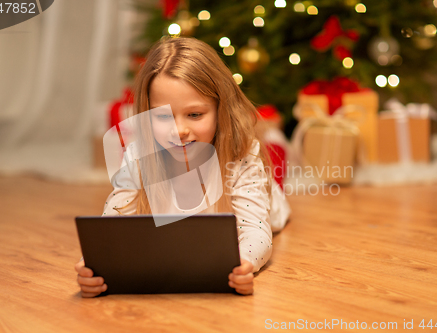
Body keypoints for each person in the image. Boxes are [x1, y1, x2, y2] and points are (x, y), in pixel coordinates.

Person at [75, 36, 291, 297]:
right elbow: (113, 223)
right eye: (163, 116)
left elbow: (256, 230)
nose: (179, 131)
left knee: (273, 204)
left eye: (195, 115)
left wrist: (244, 264)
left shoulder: (241, 156)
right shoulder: (138, 156)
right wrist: (96, 263)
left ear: (221, 110)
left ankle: (275, 165)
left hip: (261, 204)